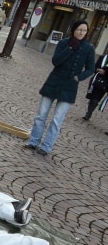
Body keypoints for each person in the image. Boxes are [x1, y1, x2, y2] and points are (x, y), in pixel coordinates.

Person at [24, 20, 95, 156]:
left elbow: (90, 68)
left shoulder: (88, 48)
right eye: (79, 29)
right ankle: (33, 142)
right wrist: (70, 48)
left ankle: (46, 147)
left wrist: (78, 77)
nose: (81, 32)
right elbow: (56, 61)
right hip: (54, 82)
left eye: (84, 30)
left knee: (57, 119)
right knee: (41, 115)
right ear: (74, 30)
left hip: (69, 86)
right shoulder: (64, 43)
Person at [82, 52, 107, 121]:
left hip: (105, 83)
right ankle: (89, 111)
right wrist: (98, 70)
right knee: (91, 97)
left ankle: (89, 113)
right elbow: (95, 67)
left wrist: (105, 72)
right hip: (95, 80)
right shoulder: (102, 57)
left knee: (96, 98)